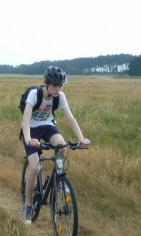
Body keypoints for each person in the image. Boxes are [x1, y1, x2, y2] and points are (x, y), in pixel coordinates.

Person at [21, 66, 90, 224]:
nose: (58, 89)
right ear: (46, 83)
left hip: (48, 126)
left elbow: (70, 118)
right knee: (34, 167)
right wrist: (28, 139)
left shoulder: (60, 96)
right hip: (31, 129)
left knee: (62, 146)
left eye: (60, 85)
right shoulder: (35, 94)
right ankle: (28, 206)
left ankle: (58, 180)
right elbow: (25, 119)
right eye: (54, 85)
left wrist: (81, 138)